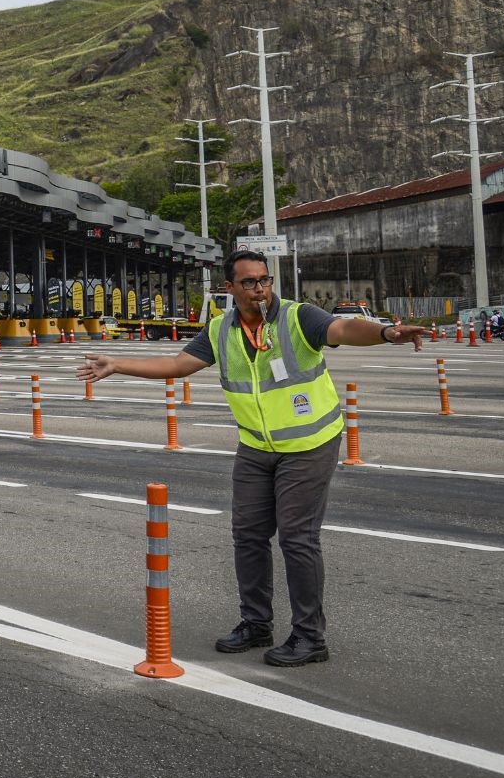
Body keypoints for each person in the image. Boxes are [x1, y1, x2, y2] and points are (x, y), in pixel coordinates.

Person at [76, 250, 431, 668]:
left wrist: (387, 333)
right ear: (229, 288)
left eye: (264, 280)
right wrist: (117, 364)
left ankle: (309, 636)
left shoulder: (298, 317)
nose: (259, 288)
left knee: (297, 538)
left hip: (309, 444)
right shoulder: (219, 330)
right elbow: (177, 363)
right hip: (256, 447)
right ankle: (256, 623)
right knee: (247, 536)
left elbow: (343, 327)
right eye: (248, 282)